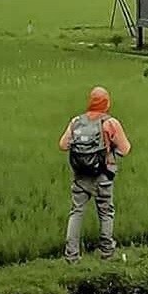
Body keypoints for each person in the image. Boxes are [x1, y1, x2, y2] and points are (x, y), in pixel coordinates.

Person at [58, 86, 132, 263]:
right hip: (103, 177)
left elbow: (63, 145)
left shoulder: (77, 121)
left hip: (80, 177)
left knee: (76, 212)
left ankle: (71, 256)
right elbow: (125, 149)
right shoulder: (110, 123)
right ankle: (106, 253)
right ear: (106, 103)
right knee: (106, 213)